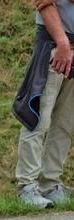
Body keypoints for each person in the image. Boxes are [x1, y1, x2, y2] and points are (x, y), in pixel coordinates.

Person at [13, 0, 74, 208]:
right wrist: (62, 43)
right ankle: (27, 185)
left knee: (65, 122)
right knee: (38, 117)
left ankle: (51, 183)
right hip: (54, 44)